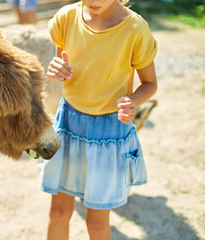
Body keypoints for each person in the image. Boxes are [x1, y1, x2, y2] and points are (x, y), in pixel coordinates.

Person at [38, 0, 158, 239]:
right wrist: (56, 68)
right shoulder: (66, 17)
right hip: (68, 124)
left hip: (108, 132)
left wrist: (132, 101)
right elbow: (61, 62)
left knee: (96, 223)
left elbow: (150, 84)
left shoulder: (134, 29)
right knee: (58, 213)